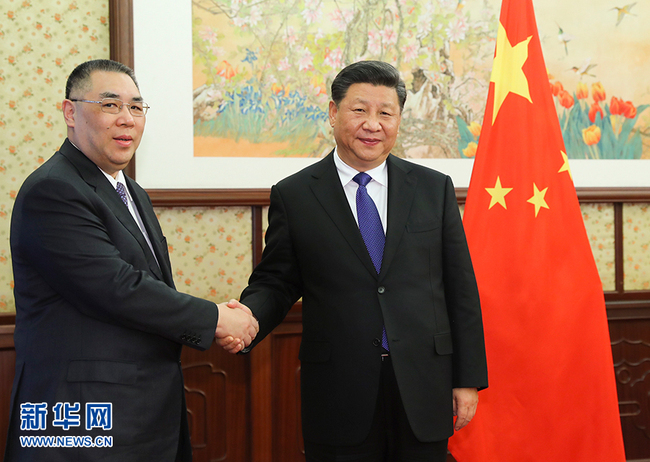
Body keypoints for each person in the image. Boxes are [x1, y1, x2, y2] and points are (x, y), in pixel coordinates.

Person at [221, 61, 488, 461]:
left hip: (423, 384)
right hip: (338, 390)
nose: (373, 124)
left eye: (386, 113)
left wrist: (467, 380)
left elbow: (460, 287)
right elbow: (276, 280)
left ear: (399, 120)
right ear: (333, 113)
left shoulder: (433, 189)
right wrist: (248, 320)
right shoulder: (295, 195)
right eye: (359, 110)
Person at [4, 59, 258, 462]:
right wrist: (216, 319)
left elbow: (149, 287)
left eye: (136, 107)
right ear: (70, 112)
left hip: (142, 411)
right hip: (83, 418)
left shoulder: (130, 191)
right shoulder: (53, 189)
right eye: (109, 105)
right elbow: (117, 287)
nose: (127, 119)